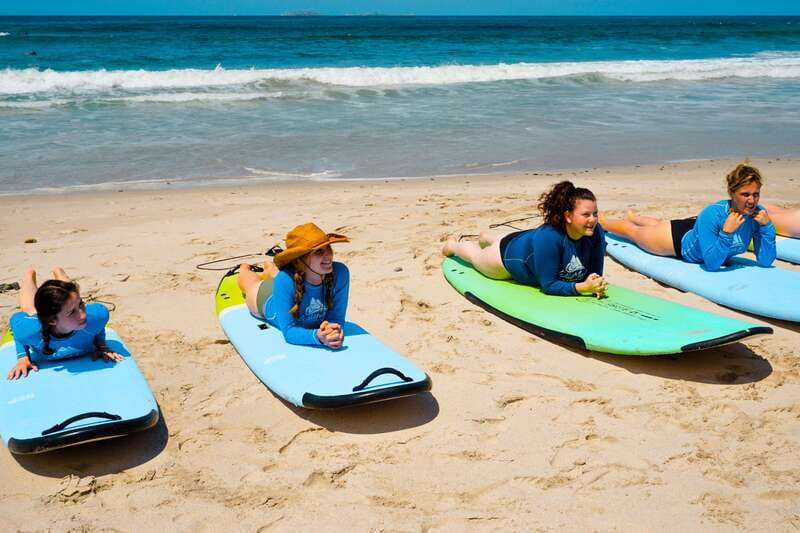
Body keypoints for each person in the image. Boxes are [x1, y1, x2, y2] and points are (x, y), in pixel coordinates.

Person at [442, 181, 608, 298]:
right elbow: (549, 285)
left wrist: (594, 282)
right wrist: (582, 287)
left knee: (503, 240)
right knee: (475, 256)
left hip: (524, 240)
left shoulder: (596, 232)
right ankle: (454, 246)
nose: (592, 219)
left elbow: (594, 273)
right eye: (586, 214)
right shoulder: (550, 238)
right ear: (568, 216)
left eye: (595, 213)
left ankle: (487, 237)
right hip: (504, 261)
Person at [599, 162, 776, 271]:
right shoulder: (713, 214)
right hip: (676, 242)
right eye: (745, 194)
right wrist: (727, 233)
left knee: (659, 224)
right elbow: (712, 265)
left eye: (756, 194)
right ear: (732, 192)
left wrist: (767, 228)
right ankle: (604, 221)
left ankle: (634, 216)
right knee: (634, 233)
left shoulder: (757, 217)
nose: (752, 200)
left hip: (698, 230)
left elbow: (766, 261)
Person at [238, 223, 350, 349]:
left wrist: (332, 329)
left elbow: (336, 317)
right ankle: (244, 267)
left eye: (328, 247)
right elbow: (289, 331)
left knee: (278, 275)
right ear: (300, 258)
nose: (328, 255)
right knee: (250, 283)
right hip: (265, 299)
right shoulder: (285, 280)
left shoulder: (340, 273)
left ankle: (269, 267)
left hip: (291, 283)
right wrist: (319, 336)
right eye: (319, 251)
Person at [7, 267, 122, 380]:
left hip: (64, 309)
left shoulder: (97, 315)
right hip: (44, 317)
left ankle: (59, 273)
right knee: (30, 309)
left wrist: (102, 346)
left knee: (69, 296)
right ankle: (29, 276)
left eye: (82, 304)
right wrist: (23, 357)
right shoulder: (30, 331)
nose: (83, 315)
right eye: (72, 313)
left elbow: (98, 325)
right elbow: (16, 322)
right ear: (52, 320)